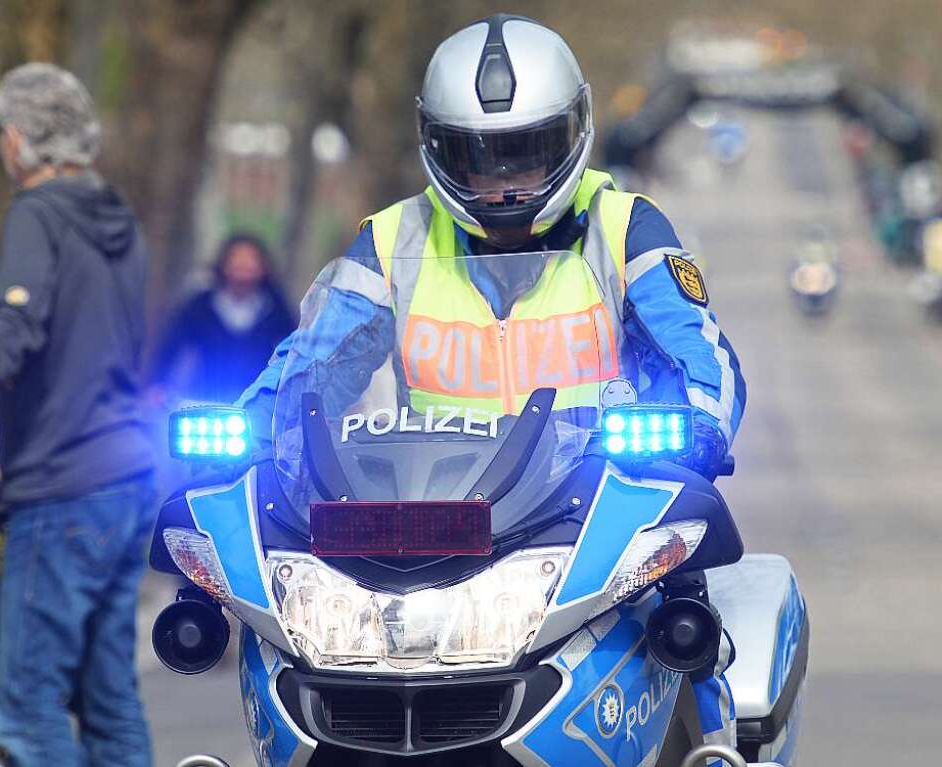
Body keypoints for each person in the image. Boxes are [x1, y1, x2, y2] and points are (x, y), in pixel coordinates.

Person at [238, 14, 744, 759]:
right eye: (479, 158)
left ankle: (718, 744)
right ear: (437, 146)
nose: (505, 183)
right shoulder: (392, 240)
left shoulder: (624, 227)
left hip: (590, 512)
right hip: (429, 521)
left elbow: (705, 355)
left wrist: (699, 422)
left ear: (573, 131)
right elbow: (308, 362)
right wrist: (249, 428)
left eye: (527, 153)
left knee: (687, 631)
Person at [0, 63, 154, 767]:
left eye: (0, 133)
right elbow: (98, 353)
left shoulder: (38, 214)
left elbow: (16, 331)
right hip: (125, 476)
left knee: (25, 707)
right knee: (110, 702)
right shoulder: (117, 217)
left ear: (18, 139)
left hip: (65, 492)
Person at [152, 233, 295, 404]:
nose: (243, 266)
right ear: (224, 264)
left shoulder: (276, 309)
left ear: (263, 267)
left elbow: (293, 349)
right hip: (204, 397)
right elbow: (171, 344)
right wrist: (158, 383)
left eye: (250, 260)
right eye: (237, 259)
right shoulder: (201, 304)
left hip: (257, 400)